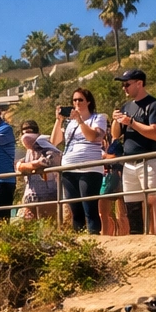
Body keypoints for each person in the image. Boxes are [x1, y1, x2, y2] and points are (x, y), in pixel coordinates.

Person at [111, 68, 156, 236]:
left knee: (153, 200)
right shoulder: (126, 106)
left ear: (139, 83)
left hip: (150, 160)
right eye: (123, 85)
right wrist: (116, 120)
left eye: (127, 84)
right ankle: (137, 236)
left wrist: (132, 122)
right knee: (133, 204)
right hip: (129, 163)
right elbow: (116, 135)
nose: (124, 88)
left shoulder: (154, 105)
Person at [52, 88, 108, 233]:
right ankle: (79, 243)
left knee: (90, 207)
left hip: (89, 168)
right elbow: (54, 141)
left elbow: (93, 137)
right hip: (69, 168)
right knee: (76, 210)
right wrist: (59, 121)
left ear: (88, 101)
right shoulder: (69, 124)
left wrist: (80, 120)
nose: (77, 103)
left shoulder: (98, 118)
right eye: (74, 100)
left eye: (80, 100)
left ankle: (94, 239)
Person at [16, 121, 61, 221]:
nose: (26, 136)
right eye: (24, 133)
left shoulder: (46, 146)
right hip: (30, 196)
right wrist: (29, 165)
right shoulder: (28, 152)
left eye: (30, 132)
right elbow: (19, 166)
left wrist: (32, 165)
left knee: (49, 225)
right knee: (29, 226)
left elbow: (46, 161)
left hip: (48, 194)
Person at [99, 133, 129, 235]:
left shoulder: (117, 142)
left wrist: (103, 156)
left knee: (121, 211)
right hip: (104, 177)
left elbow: (117, 156)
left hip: (117, 176)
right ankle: (106, 234)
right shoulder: (95, 143)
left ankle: (124, 233)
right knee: (103, 212)